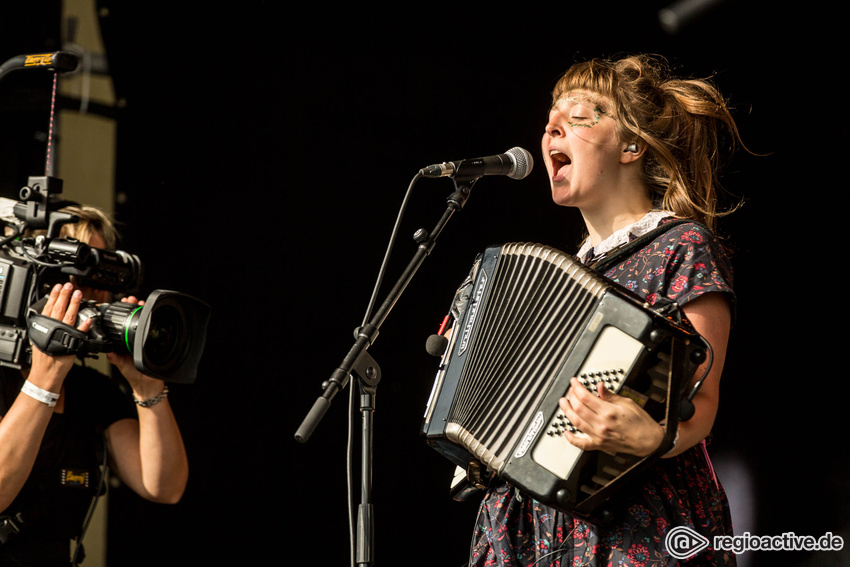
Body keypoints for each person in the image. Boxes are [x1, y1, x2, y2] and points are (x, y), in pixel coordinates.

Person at [468, 54, 743, 566]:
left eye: (576, 120)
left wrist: (652, 436)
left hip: (631, 521)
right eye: (550, 121)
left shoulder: (680, 246)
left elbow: (703, 401)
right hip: (530, 523)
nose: (551, 129)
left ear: (633, 146)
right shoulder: (553, 281)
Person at [0, 206, 189, 566]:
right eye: (80, 278)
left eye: (103, 281)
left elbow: (164, 486)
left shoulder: (92, 391)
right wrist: (45, 377)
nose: (94, 294)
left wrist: (147, 388)